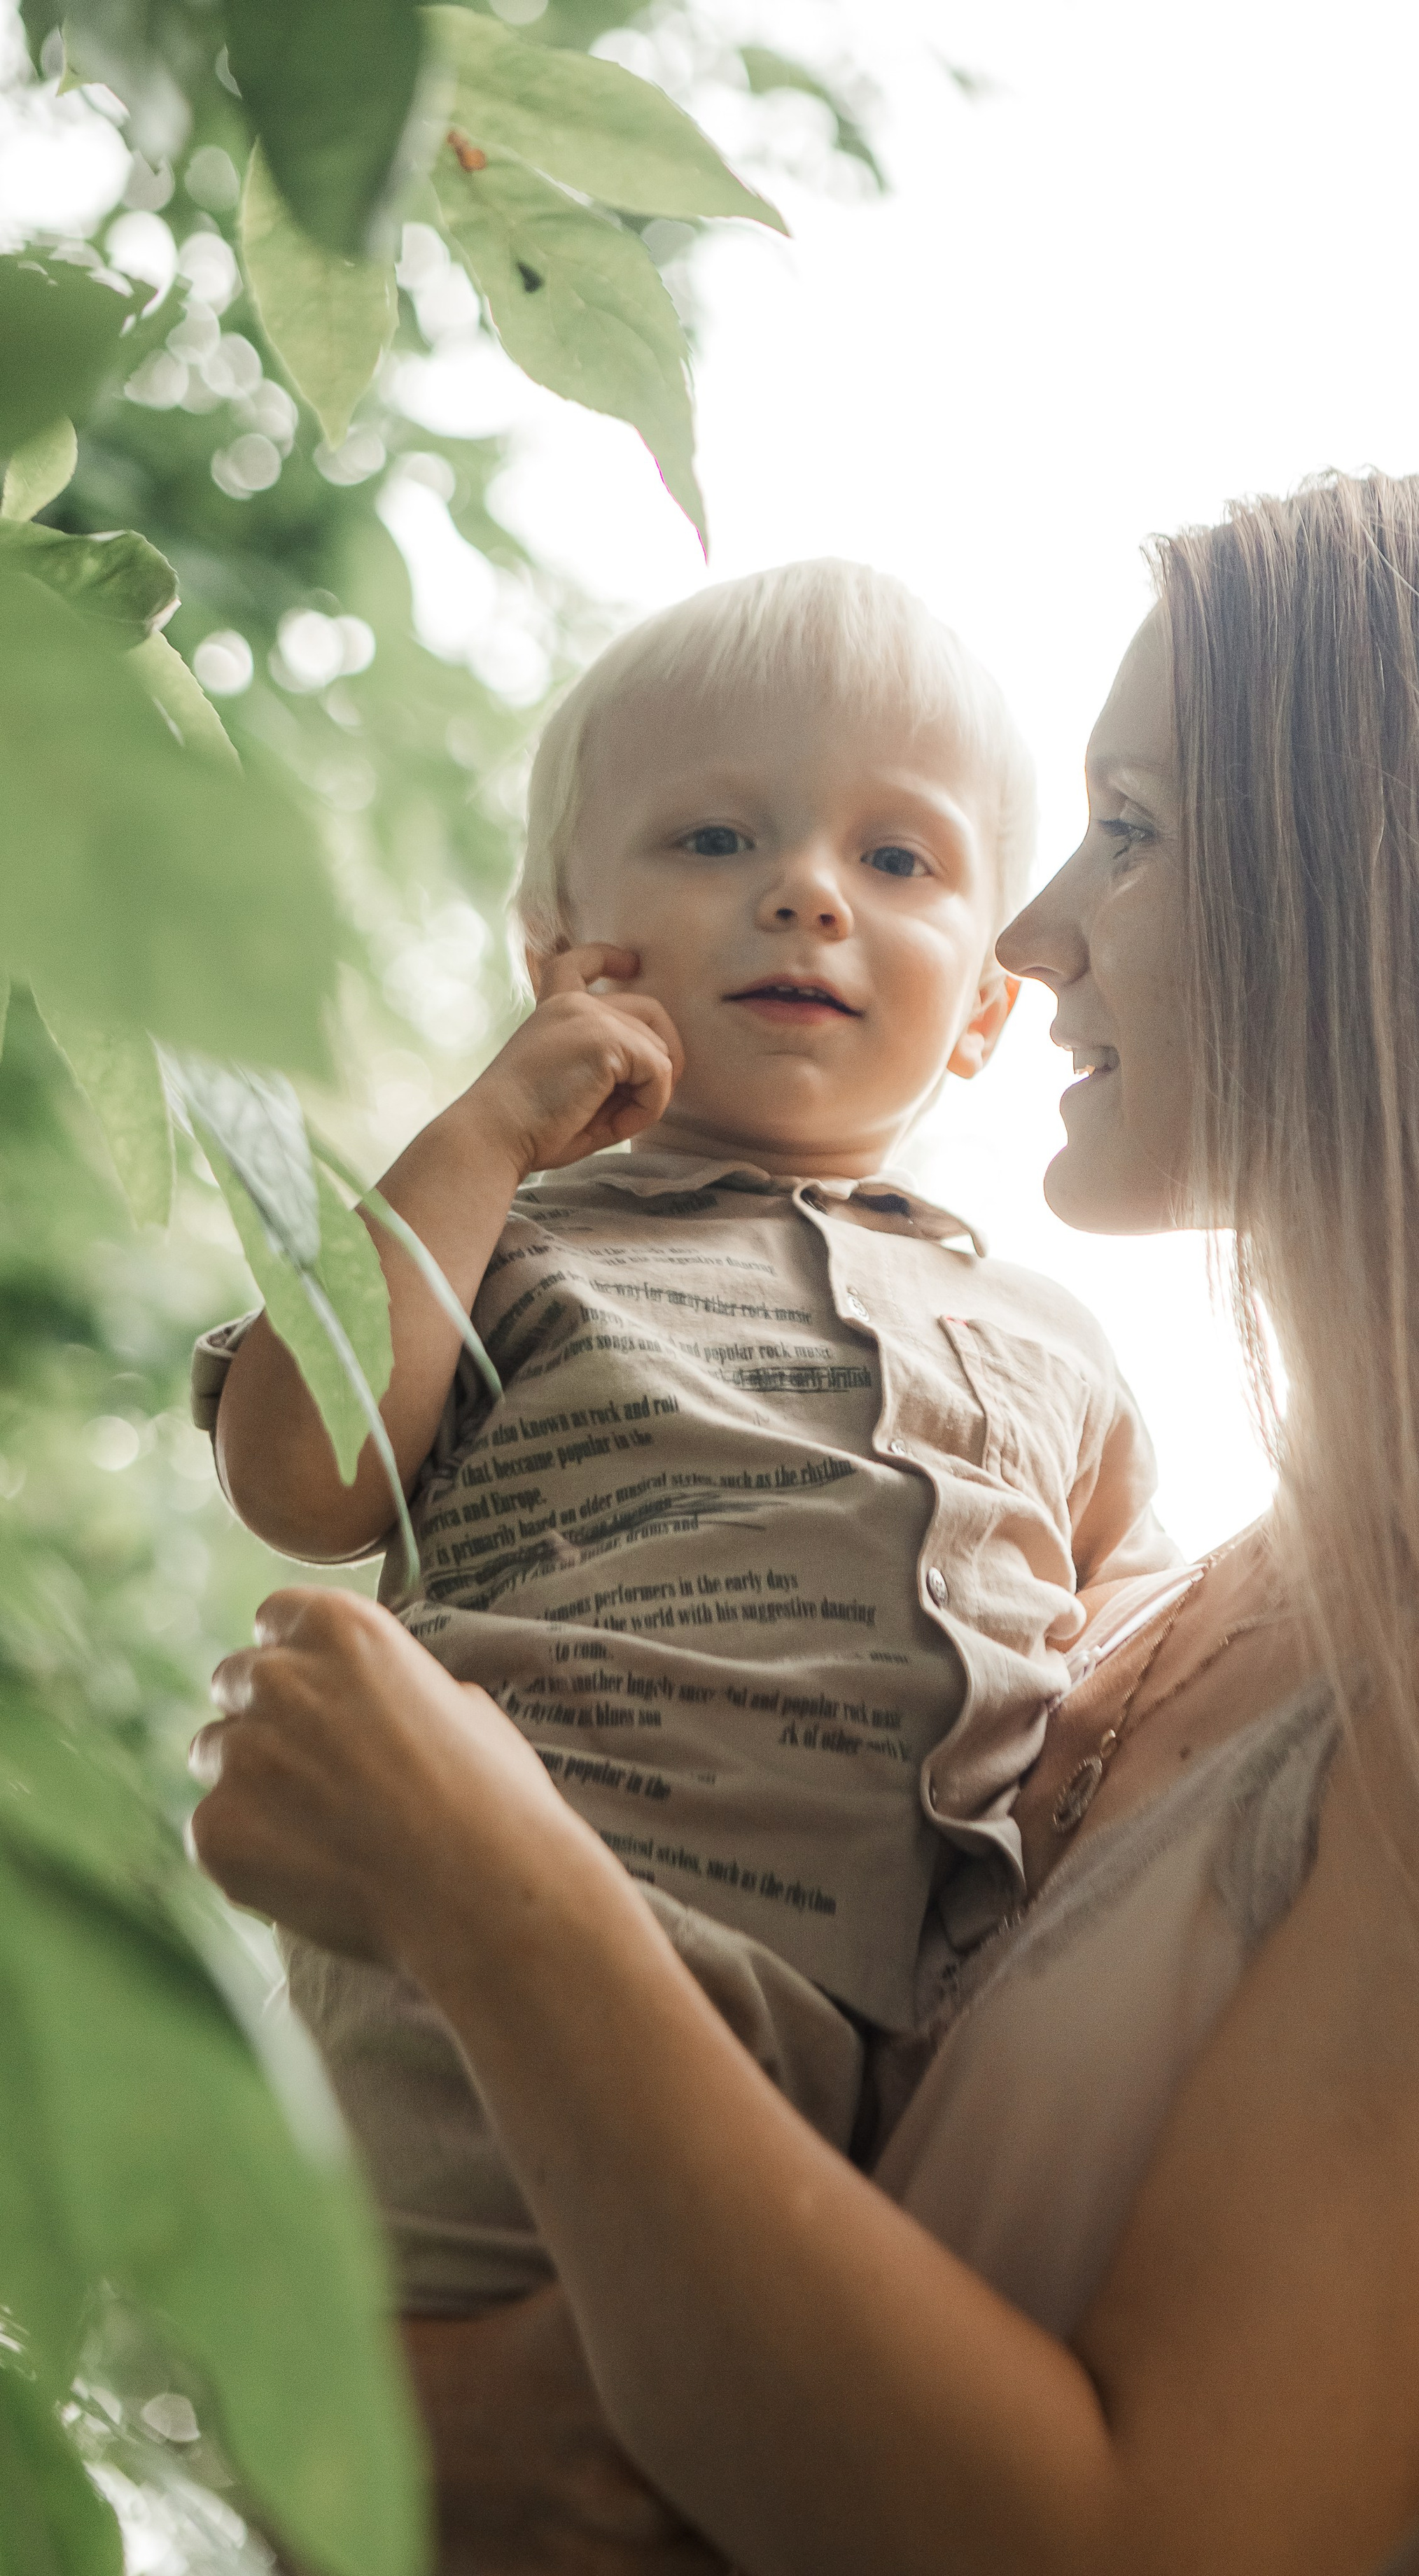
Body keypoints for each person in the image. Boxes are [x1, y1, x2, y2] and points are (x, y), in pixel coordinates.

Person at [190, 471, 1419, 2575]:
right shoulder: (1120, 1622)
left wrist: (487, 1889)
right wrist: (384, 2421)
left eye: (1126, 828)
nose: (1034, 935)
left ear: (1405, 890)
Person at [193, 560, 1176, 2319]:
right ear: (561, 950)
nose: (804, 892)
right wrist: (492, 1123)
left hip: (900, 2072)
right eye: (715, 840)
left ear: (978, 1012)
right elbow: (298, 1469)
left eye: (896, 858)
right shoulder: (502, 1237)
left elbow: (1129, 1681)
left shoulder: (1052, 1342)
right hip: (469, 2002)